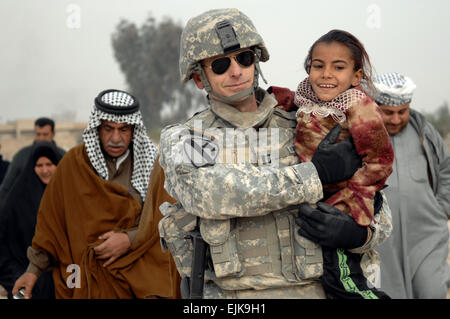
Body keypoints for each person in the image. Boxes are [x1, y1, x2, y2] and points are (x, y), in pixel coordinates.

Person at [157, 8, 393, 299]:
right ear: (198, 78)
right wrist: (314, 174)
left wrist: (359, 236)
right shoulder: (189, 138)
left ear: (255, 61)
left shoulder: (307, 122)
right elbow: (208, 194)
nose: (236, 71)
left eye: (244, 58)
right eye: (219, 65)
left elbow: (379, 211)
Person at [12, 89, 180, 299]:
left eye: (124, 129)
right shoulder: (73, 164)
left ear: (134, 130)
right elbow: (51, 224)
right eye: (108, 129)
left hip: (136, 276)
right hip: (81, 276)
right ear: (97, 128)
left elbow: (168, 219)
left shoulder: (154, 167)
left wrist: (129, 239)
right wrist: (32, 271)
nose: (115, 138)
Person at [270, 30, 394, 298]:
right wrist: (281, 98)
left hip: (346, 199)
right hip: (321, 190)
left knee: (341, 275)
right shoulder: (310, 96)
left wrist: (352, 199)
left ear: (356, 76)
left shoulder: (360, 108)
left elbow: (380, 161)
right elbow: (302, 108)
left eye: (338, 67)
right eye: (318, 66)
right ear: (309, 68)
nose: (326, 74)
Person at [371, 72, 450, 299]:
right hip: (382, 240)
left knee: (432, 290)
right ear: (376, 107)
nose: (396, 120)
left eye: (402, 112)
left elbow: (445, 169)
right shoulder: (362, 134)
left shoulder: (424, 132)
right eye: (388, 113)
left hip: (426, 236)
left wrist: (441, 209)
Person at [0, 141, 62, 299]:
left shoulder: (67, 195)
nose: (45, 170)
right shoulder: (18, 199)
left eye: (49, 164)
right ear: (31, 167)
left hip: (63, 279)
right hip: (24, 276)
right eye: (39, 165)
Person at [0, 117, 65, 208]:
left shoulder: (64, 156)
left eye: (45, 134)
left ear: (53, 134)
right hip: (27, 209)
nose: (41, 138)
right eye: (38, 134)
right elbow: (7, 187)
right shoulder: (22, 156)